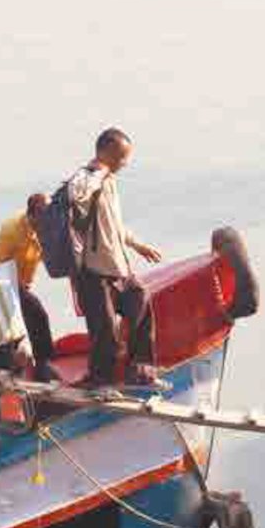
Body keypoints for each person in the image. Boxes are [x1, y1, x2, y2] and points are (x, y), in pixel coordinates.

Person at [66, 128, 164, 387]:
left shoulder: (110, 181)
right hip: (94, 271)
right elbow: (75, 193)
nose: (125, 163)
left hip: (118, 268)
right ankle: (100, 383)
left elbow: (115, 225)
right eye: (122, 157)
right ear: (107, 152)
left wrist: (138, 245)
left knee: (140, 300)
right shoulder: (87, 176)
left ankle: (140, 371)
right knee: (105, 332)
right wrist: (98, 171)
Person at [0, 193, 58, 381]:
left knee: (23, 325)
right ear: (32, 215)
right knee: (37, 313)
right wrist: (17, 289)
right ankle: (40, 365)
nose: (49, 222)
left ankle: (38, 365)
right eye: (44, 217)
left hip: (20, 283)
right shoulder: (12, 230)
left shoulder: (43, 230)